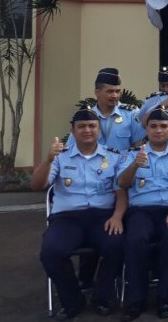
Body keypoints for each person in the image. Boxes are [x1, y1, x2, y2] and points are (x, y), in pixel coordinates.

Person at [33, 106, 126, 320]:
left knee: (118, 245)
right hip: (68, 219)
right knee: (51, 252)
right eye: (81, 126)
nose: (87, 130)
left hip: (103, 217)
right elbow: (37, 185)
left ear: (99, 130)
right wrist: (47, 160)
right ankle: (73, 301)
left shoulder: (113, 158)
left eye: (92, 126)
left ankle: (102, 297)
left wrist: (118, 216)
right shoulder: (60, 157)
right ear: (73, 131)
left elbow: (121, 193)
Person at [117, 107, 168, 320]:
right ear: (146, 129)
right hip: (141, 211)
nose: (158, 130)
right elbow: (122, 184)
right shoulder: (133, 155)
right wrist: (134, 166)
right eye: (153, 126)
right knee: (135, 240)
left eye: (163, 126)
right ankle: (137, 300)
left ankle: (165, 298)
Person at [67, 67, 143, 151]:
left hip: (123, 163)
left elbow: (139, 144)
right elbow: (70, 147)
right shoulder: (86, 117)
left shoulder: (131, 114)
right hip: (92, 163)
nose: (115, 96)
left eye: (117, 91)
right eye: (110, 91)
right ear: (97, 92)